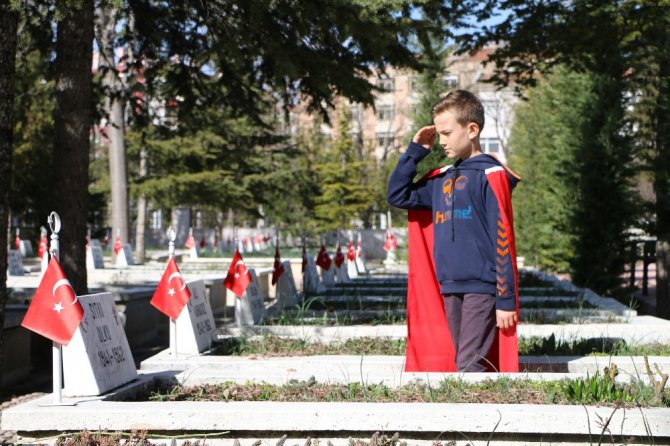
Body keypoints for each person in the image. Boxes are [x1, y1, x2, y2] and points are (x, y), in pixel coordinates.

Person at [387, 89, 520, 372]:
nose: (442, 141)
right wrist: (414, 152)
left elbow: (503, 237)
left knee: (468, 365)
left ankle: (480, 415)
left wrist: (505, 299)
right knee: (464, 360)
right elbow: (398, 195)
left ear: (472, 129)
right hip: (449, 287)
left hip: (482, 288)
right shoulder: (441, 180)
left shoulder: (490, 176)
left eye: (447, 133)